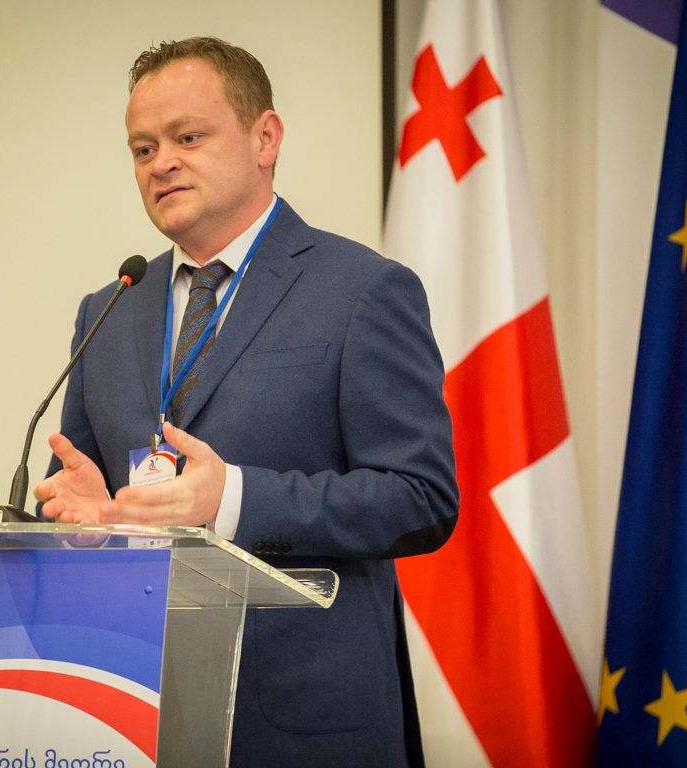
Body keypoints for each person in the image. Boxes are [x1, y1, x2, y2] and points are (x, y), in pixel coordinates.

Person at [35, 37, 458, 767]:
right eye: (143, 149)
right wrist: (89, 520)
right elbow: (84, 484)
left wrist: (231, 499)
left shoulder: (361, 290)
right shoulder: (109, 308)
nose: (161, 163)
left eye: (187, 137)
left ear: (266, 139)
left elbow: (420, 499)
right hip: (130, 711)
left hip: (304, 723)